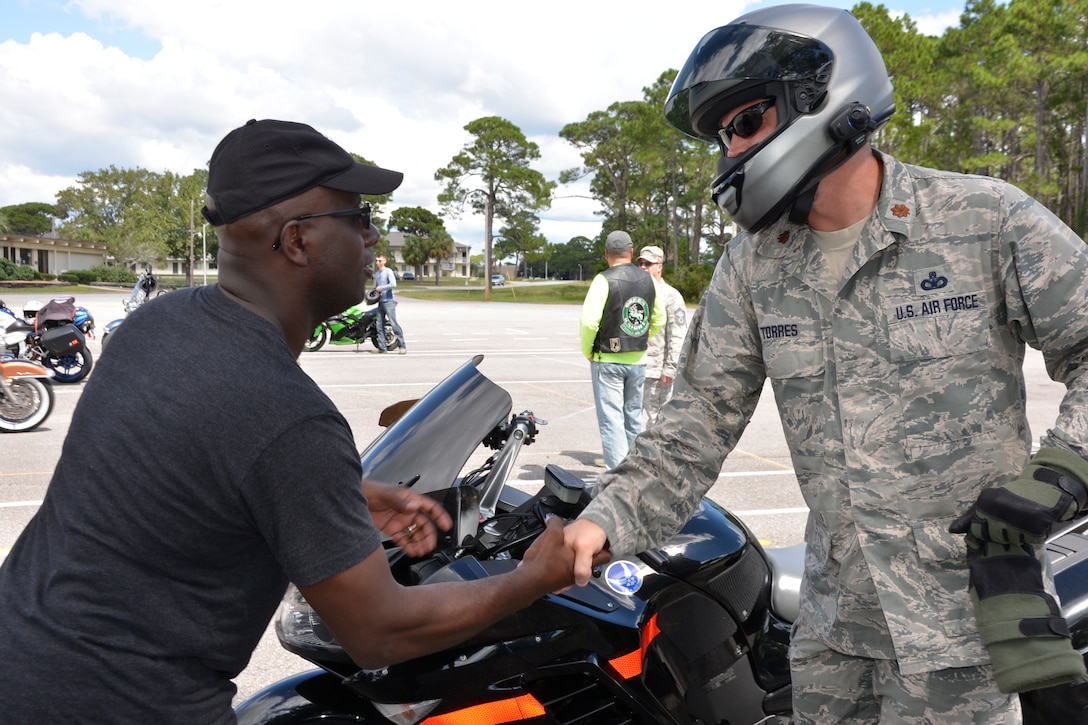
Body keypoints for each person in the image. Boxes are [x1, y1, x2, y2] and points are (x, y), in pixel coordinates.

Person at [563, 5, 1088, 723]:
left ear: (825, 97)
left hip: (964, 635)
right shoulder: (752, 268)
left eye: (745, 123)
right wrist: (600, 522)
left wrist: (1061, 474)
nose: (729, 153)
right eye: (721, 137)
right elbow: (693, 426)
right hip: (835, 634)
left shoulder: (985, 220)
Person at [0, 119, 584, 724]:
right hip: (125, 705)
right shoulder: (289, 414)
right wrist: (531, 579)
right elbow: (377, 631)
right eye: (357, 219)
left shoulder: (157, 325)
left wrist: (340, 493)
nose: (371, 235)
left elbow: (184, 468)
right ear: (299, 241)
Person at [579, 230, 665, 469]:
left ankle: (617, 479)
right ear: (631, 252)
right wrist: (644, 334)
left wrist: (588, 350)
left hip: (607, 358)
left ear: (606, 253)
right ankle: (635, 471)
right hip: (638, 360)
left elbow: (589, 322)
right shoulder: (649, 280)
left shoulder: (603, 280)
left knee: (611, 421)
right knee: (633, 420)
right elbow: (659, 317)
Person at [636, 245, 687, 425]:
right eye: (640, 263)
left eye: (648, 263)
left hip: (657, 372)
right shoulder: (636, 292)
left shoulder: (671, 296)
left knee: (656, 420)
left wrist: (671, 368)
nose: (643, 267)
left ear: (659, 266)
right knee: (635, 419)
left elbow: (678, 336)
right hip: (636, 367)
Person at [373, 253, 407, 354]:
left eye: (379, 260)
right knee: (379, 325)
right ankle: (382, 348)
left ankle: (402, 346)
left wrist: (381, 288)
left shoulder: (388, 272)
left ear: (384, 261)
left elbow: (393, 284)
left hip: (389, 301)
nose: (377, 262)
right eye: (376, 261)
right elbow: (375, 288)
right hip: (380, 302)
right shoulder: (377, 274)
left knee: (393, 324)